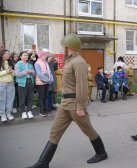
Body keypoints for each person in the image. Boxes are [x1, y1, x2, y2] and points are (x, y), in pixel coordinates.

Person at [27, 33, 107, 168]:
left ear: (69, 46)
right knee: (55, 131)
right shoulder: (69, 60)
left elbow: (81, 86)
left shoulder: (79, 62)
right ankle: (42, 163)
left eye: (64, 45)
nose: (63, 47)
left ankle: (101, 153)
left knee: (88, 129)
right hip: (65, 104)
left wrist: (81, 106)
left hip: (75, 103)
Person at [15, 51, 35, 119]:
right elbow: (17, 74)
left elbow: (34, 74)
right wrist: (26, 72)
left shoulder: (30, 64)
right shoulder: (18, 64)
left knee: (30, 98)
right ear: (20, 56)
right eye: (24, 55)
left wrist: (32, 72)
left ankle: (29, 111)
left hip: (30, 82)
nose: (26, 56)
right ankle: (23, 112)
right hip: (22, 83)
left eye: (26, 55)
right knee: (22, 98)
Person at [35, 50, 53, 117]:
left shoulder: (46, 63)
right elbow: (39, 74)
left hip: (46, 82)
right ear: (41, 56)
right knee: (41, 97)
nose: (46, 56)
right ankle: (41, 111)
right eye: (44, 55)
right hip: (40, 83)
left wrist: (51, 79)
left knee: (46, 97)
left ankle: (46, 110)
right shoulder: (37, 63)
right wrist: (47, 80)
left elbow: (49, 72)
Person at [0, 49, 15, 122]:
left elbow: (14, 74)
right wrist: (6, 71)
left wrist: (12, 72)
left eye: (8, 54)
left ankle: (8, 113)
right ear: (2, 55)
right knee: (2, 100)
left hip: (11, 84)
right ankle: (2, 114)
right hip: (2, 84)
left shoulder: (11, 63)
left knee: (10, 100)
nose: (8, 55)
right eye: (6, 54)